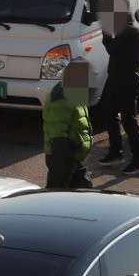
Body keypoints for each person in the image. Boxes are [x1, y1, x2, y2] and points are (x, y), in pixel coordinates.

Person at [96, 0, 139, 175]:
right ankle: (116, 153)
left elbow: (112, 48)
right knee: (109, 114)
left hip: (126, 80)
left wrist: (106, 31)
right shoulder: (125, 27)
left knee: (129, 121)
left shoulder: (131, 30)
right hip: (116, 78)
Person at [42, 58, 93, 189]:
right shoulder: (61, 98)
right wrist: (67, 160)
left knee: (86, 194)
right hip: (64, 157)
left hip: (77, 155)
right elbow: (57, 133)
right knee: (57, 195)